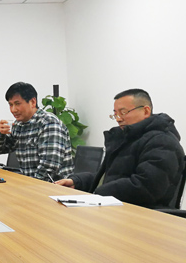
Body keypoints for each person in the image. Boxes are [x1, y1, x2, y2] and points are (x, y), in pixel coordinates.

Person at [56, 89, 184, 208]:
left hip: (141, 214)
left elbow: (147, 186)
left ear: (146, 111)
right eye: (115, 114)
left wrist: (99, 193)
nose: (118, 119)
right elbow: (110, 177)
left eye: (123, 112)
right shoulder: (128, 138)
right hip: (116, 207)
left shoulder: (162, 142)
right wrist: (77, 181)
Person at [0, 82, 74, 181]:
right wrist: (0, 133)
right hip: (30, 183)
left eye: (17, 104)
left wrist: (28, 186)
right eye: (10, 105)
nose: (13, 110)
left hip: (53, 186)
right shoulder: (18, 125)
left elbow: (49, 167)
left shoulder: (49, 123)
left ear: (33, 102)